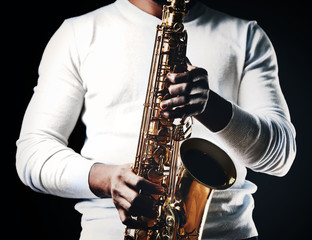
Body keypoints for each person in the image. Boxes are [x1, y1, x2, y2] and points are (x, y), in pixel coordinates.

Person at [16, 0, 296, 239]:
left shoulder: (246, 35)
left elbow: (281, 157)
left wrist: (210, 105)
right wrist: (106, 178)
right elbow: (32, 153)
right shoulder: (77, 33)